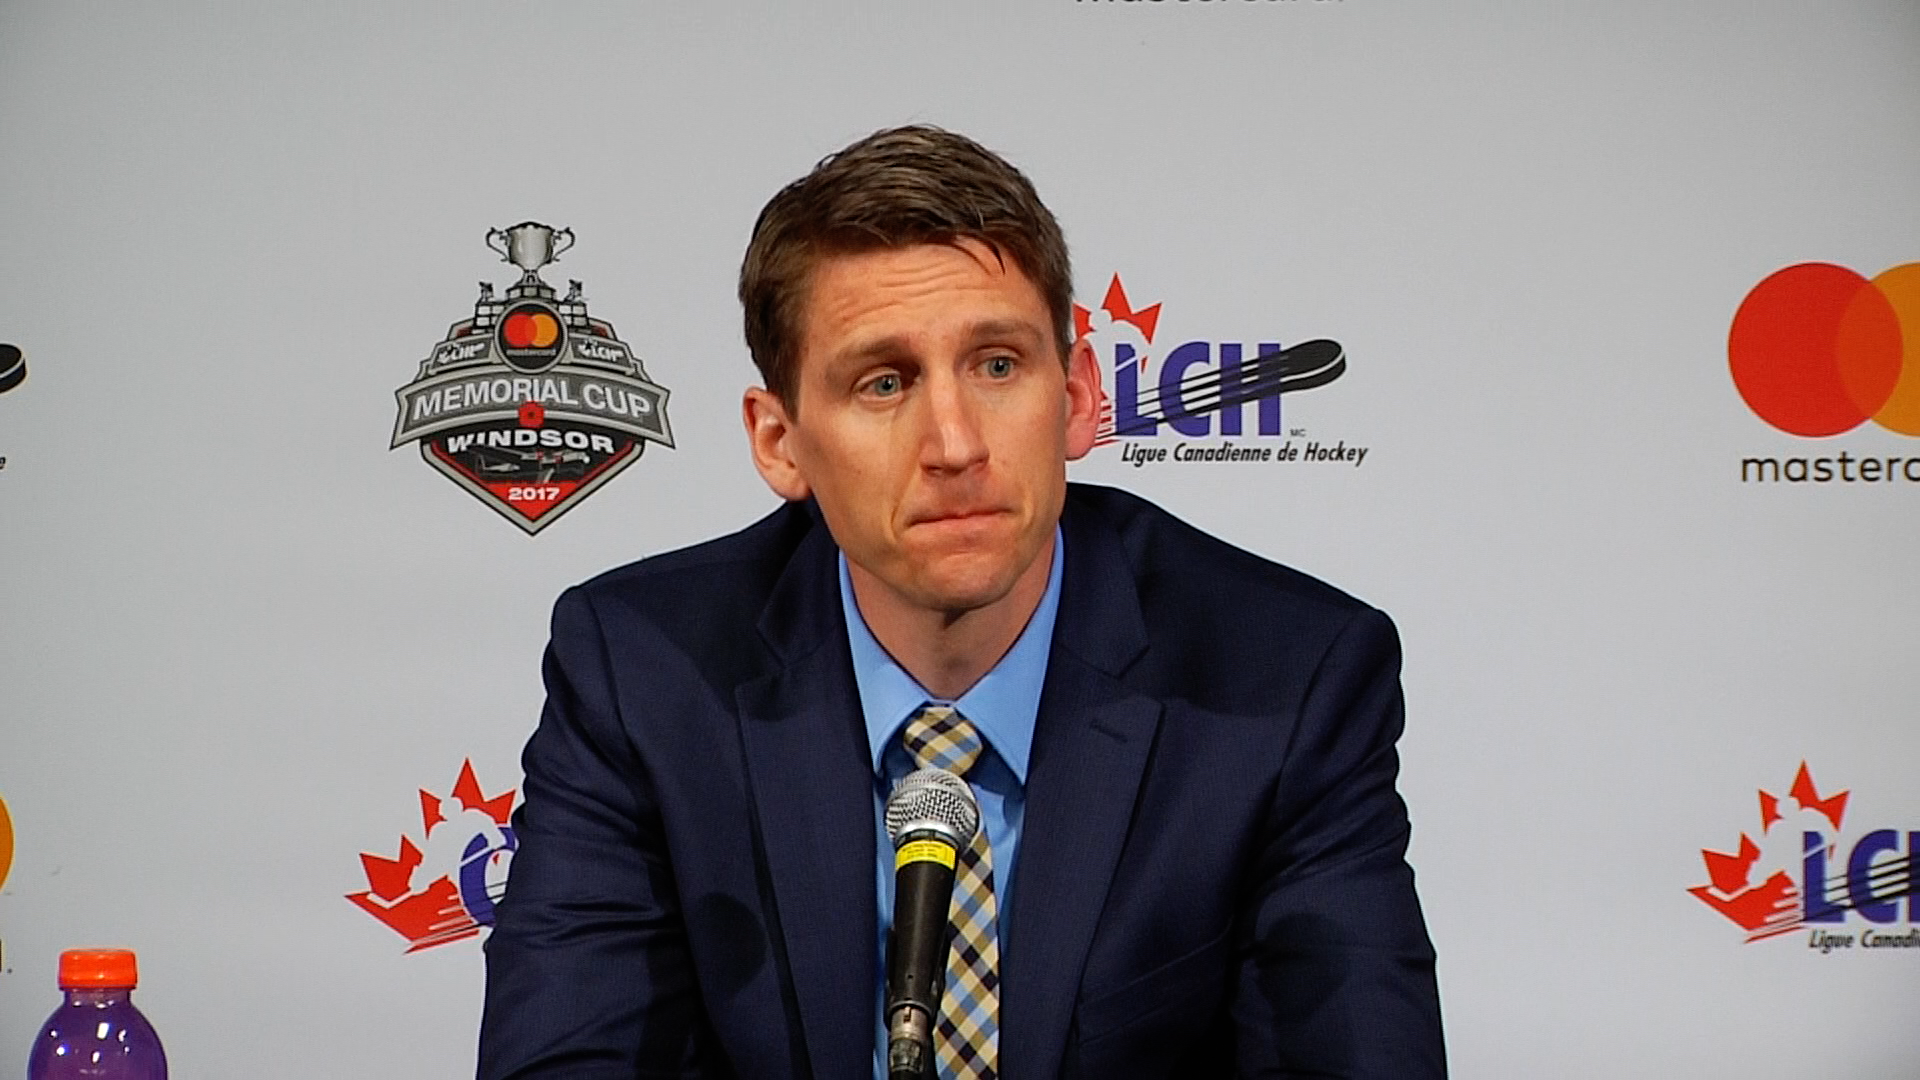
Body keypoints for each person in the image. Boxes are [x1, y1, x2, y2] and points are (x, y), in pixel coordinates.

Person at [478, 125, 1444, 1080]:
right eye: (884, 382)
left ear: (1077, 396)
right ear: (780, 442)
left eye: (997, 365)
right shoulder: (644, 676)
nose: (954, 444)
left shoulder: (1286, 683)